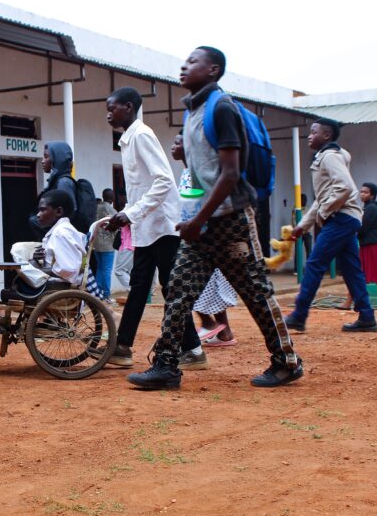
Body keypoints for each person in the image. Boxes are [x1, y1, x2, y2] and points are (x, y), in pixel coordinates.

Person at [126, 48, 300, 388]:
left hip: (231, 222)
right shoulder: (192, 112)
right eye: (185, 61)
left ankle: (287, 362)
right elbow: (205, 174)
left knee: (256, 292)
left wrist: (197, 220)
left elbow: (231, 173)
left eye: (193, 61)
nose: (184, 65)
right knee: (177, 290)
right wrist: (185, 164)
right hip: (201, 227)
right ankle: (166, 365)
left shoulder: (222, 108)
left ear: (213, 70)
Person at [103, 86, 203, 373]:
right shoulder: (127, 140)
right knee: (139, 285)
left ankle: (193, 349)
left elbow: (163, 180)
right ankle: (122, 346)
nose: (108, 114)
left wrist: (131, 213)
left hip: (163, 226)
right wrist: (126, 215)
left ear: (129, 107)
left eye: (113, 108)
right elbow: (140, 188)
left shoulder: (142, 135)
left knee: (170, 287)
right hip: (146, 227)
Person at [286, 118, 377, 333]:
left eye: (314, 132)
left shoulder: (330, 156)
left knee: (314, 264)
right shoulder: (329, 156)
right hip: (346, 217)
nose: (309, 136)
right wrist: (303, 225)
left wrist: (326, 211)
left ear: (326, 135)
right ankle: (367, 316)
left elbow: (345, 187)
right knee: (351, 269)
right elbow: (322, 198)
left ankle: (299, 314)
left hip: (340, 218)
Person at [173, 133, 237, 346]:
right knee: (209, 286)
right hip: (195, 235)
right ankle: (224, 331)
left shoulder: (198, 172)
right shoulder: (187, 172)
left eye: (177, 143)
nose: (173, 147)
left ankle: (210, 324)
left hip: (204, 237)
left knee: (191, 284)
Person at [342, 183, 377, 313]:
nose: (362, 194)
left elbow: (363, 228)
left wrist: (350, 230)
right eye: (361, 192)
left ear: (372, 195)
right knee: (359, 274)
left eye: (365, 192)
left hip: (375, 245)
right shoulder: (367, 208)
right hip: (367, 244)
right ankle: (348, 302)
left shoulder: (371, 209)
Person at [93, 189, 118, 301]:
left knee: (100, 268)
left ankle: (97, 293)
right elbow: (117, 227)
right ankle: (107, 295)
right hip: (107, 244)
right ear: (112, 198)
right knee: (107, 270)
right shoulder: (112, 210)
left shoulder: (96, 208)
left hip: (96, 243)